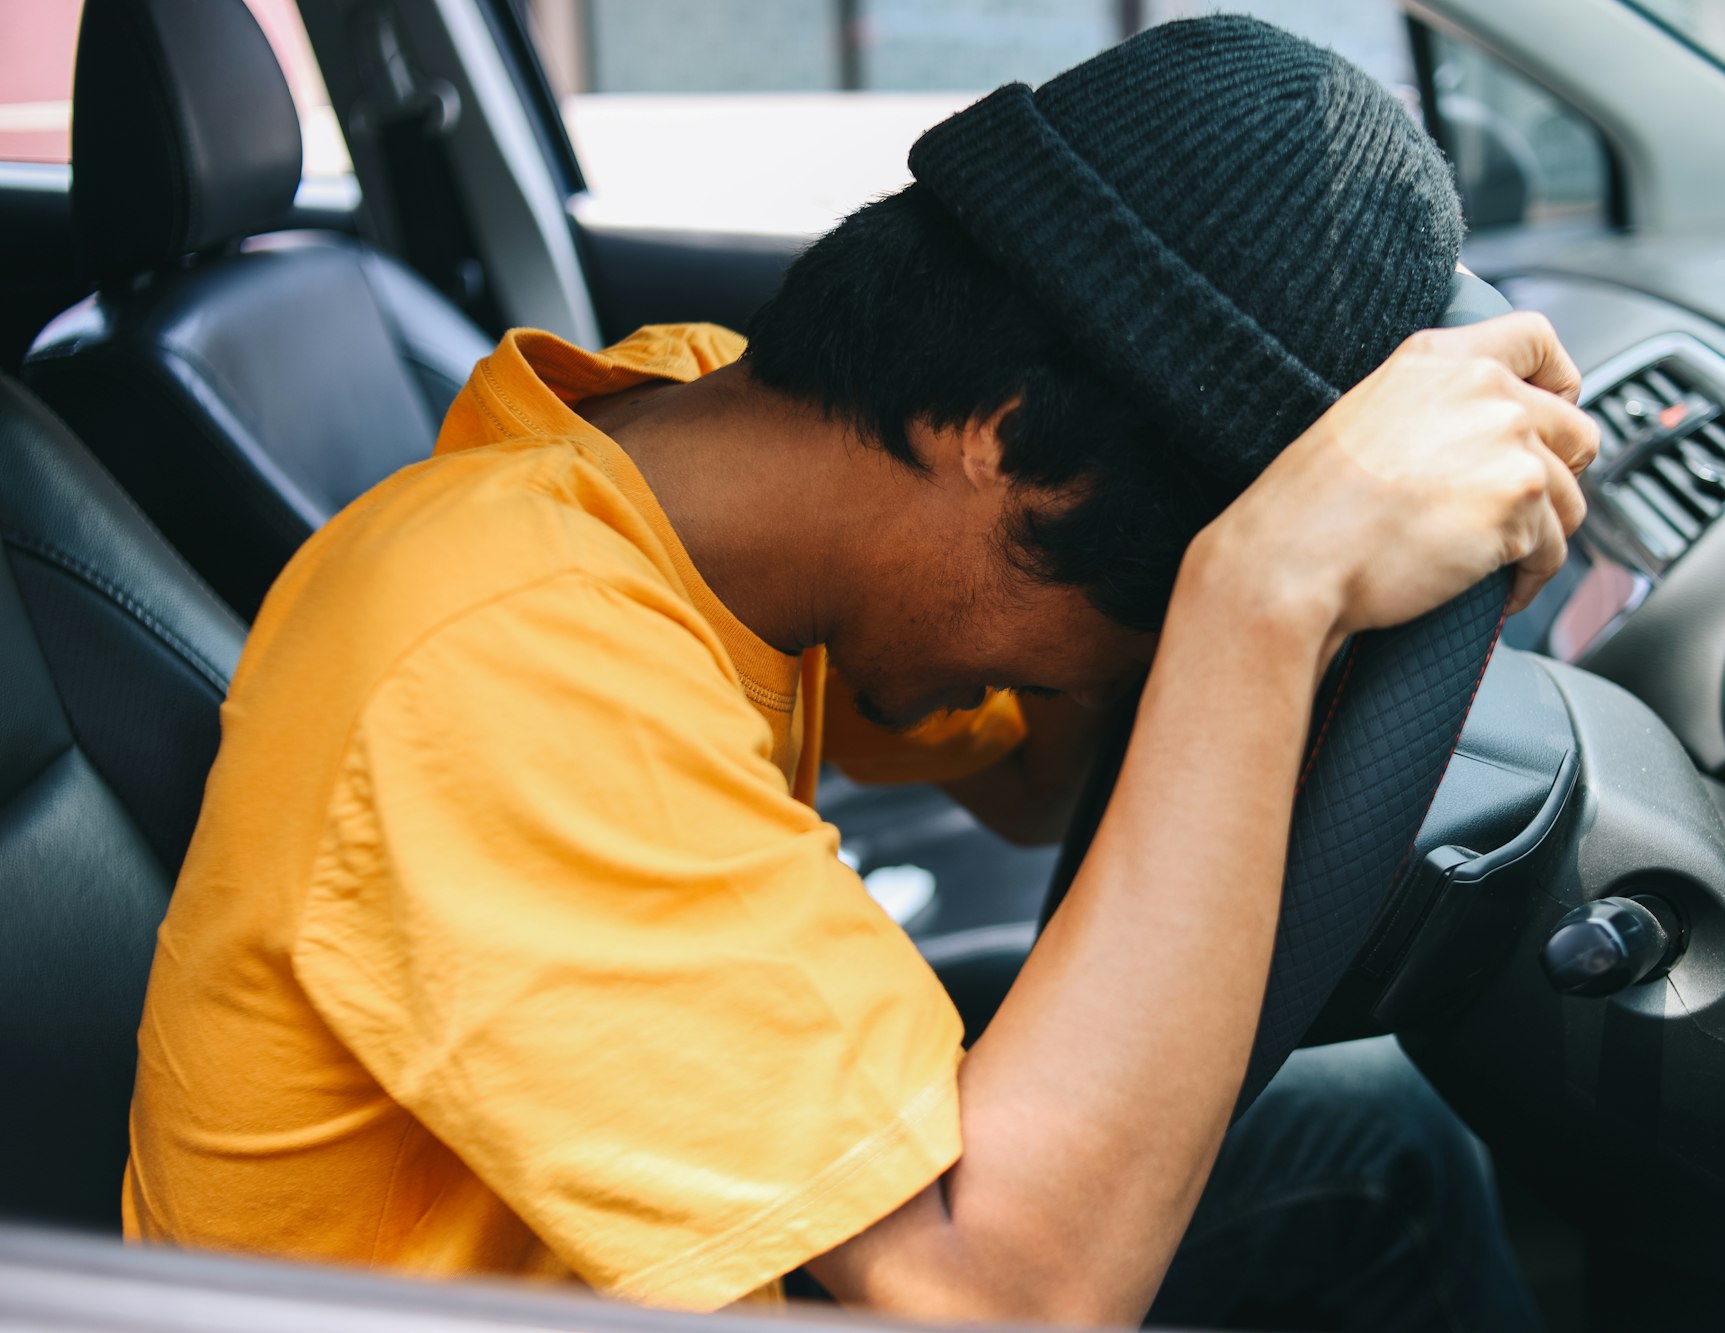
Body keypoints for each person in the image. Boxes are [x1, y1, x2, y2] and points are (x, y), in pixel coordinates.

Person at [124, 16, 1594, 1330]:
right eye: (1139, 611)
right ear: (1005, 439)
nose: (1130, 661)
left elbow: (1032, 783)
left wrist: (1327, 593)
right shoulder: (499, 652)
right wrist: (1259, 596)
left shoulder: (727, 473)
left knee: (1379, 1140)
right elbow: (1012, 1298)